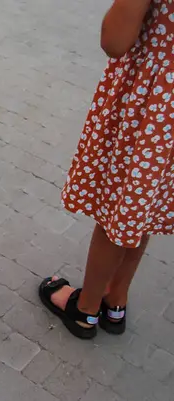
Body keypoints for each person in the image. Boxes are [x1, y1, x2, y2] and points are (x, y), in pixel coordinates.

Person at [39, 0, 173, 339]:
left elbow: (114, 40)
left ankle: (86, 310)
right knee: (142, 208)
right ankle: (116, 301)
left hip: (152, 104)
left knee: (117, 213)